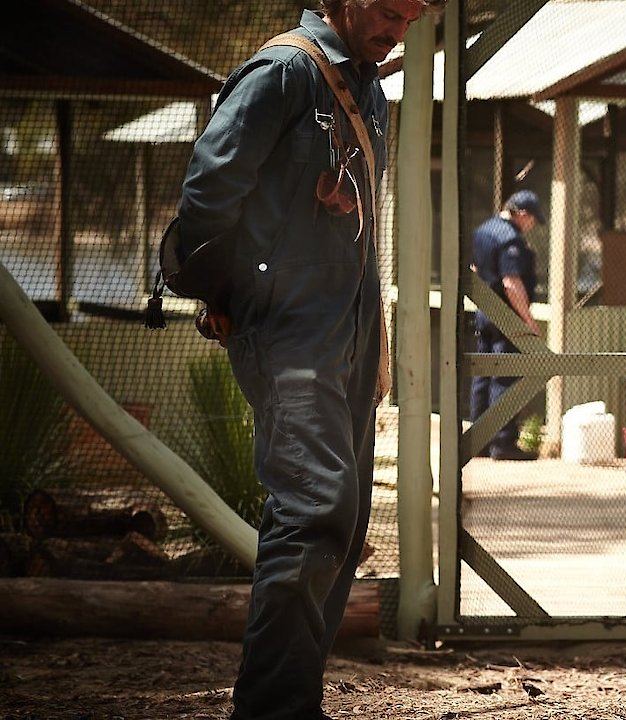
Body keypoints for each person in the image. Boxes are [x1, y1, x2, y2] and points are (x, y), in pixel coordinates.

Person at [174, 1, 428, 718]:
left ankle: (290, 701)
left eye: (410, 19)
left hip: (347, 330)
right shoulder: (284, 72)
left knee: (341, 523)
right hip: (288, 329)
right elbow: (207, 195)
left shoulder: (366, 81)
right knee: (314, 505)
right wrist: (222, 294)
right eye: (387, 11)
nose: (396, 30)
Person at [470, 190, 545, 461]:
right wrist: (527, 321)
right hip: (506, 318)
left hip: (484, 312)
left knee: (482, 376)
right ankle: (503, 443)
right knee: (505, 375)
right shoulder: (510, 239)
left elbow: (475, 270)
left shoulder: (483, 231)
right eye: (533, 220)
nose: (532, 226)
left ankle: (477, 441)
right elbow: (511, 283)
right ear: (523, 214)